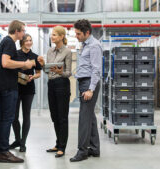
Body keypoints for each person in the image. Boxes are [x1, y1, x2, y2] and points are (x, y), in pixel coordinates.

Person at [0, 20, 35, 163]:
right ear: (17, 31)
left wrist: (27, 66)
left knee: (2, 118)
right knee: (7, 119)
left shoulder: (6, 42)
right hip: (8, 87)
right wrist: (24, 63)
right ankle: (4, 152)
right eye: (23, 31)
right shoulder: (10, 43)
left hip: (5, 85)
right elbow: (5, 63)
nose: (24, 34)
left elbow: (10, 64)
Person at [70, 19, 102, 162]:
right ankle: (94, 149)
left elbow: (96, 69)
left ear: (87, 32)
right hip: (84, 81)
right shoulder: (85, 44)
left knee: (84, 118)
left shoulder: (94, 45)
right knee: (90, 117)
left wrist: (90, 89)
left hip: (89, 83)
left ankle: (82, 151)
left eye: (78, 34)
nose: (76, 36)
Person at [9, 34, 43, 152]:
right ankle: (17, 140)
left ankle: (23, 143)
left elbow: (39, 73)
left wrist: (33, 77)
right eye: (27, 40)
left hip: (29, 89)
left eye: (30, 40)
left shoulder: (35, 57)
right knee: (14, 117)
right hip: (16, 88)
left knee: (26, 115)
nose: (29, 42)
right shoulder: (15, 54)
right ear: (22, 42)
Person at [45, 26, 72, 158]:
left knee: (62, 117)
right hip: (51, 84)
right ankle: (57, 143)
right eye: (52, 35)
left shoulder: (67, 52)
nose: (52, 37)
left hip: (62, 84)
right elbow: (48, 69)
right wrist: (42, 65)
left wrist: (61, 72)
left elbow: (68, 73)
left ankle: (62, 147)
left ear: (61, 36)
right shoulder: (50, 51)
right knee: (54, 116)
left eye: (55, 35)